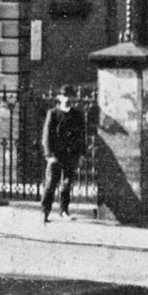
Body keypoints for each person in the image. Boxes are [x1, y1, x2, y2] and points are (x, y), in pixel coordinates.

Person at [40, 84, 86, 223]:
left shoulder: (77, 115)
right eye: (64, 96)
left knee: (66, 184)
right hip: (55, 155)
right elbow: (46, 136)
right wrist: (49, 156)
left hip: (70, 155)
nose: (66, 99)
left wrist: (81, 154)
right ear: (59, 97)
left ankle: (64, 210)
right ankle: (45, 211)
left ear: (73, 98)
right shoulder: (53, 113)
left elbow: (81, 136)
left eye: (69, 96)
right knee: (51, 183)